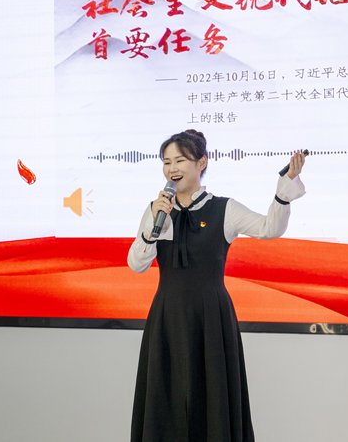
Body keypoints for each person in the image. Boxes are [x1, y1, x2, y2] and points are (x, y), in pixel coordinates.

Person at [127, 129, 306, 442]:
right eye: (166, 162)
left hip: (211, 316)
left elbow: (269, 227)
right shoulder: (157, 209)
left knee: (211, 396)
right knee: (167, 394)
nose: (172, 169)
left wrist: (284, 189)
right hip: (167, 315)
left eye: (180, 160)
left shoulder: (225, 209)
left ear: (202, 163)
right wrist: (152, 227)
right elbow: (136, 264)